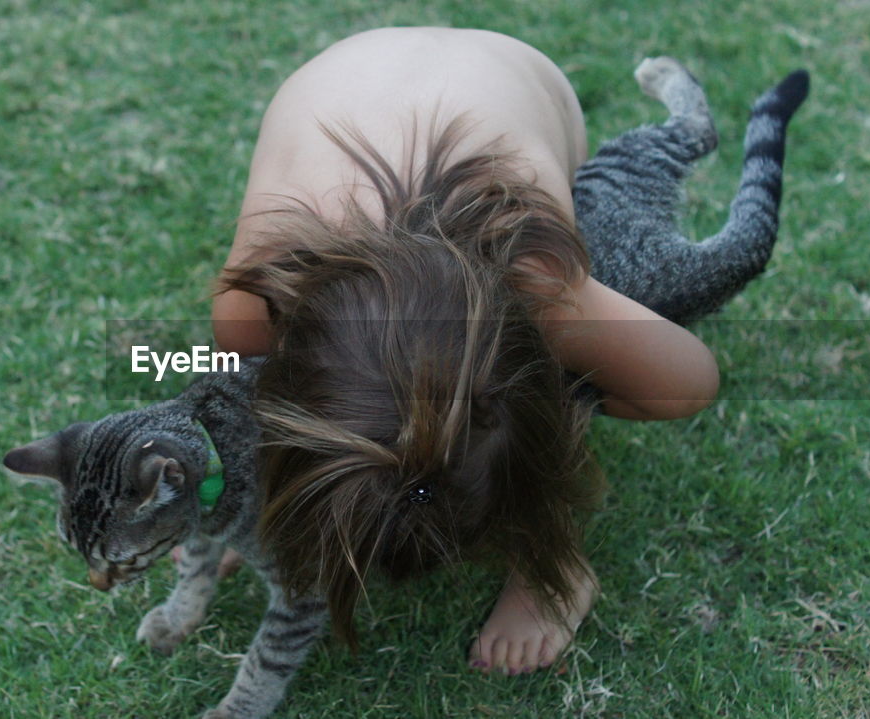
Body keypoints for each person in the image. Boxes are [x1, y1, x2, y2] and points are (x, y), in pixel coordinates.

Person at [208, 27, 719, 676]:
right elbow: (223, 379)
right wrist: (250, 493)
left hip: (523, 83)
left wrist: (561, 400)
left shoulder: (536, 276)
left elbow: (691, 380)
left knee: (558, 375)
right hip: (366, 78)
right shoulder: (250, 310)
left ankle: (553, 566)